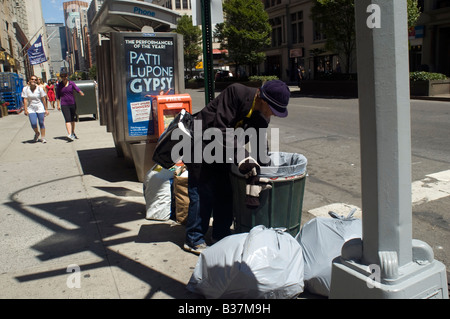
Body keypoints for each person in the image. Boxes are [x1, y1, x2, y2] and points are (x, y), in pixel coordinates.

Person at [183, 80, 290, 254]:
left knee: (225, 192)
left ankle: (221, 235)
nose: (275, 114)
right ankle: (193, 239)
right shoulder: (236, 93)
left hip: (222, 151)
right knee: (203, 192)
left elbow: (260, 140)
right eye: (274, 109)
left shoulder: (261, 113)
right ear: (262, 98)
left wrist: (264, 168)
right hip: (200, 144)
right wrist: (243, 158)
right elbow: (221, 129)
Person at [56, 72, 84, 141]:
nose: (63, 78)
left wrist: (80, 92)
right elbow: (58, 96)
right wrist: (58, 105)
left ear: (67, 76)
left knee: (72, 119)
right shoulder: (59, 85)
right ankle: (69, 134)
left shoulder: (71, 83)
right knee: (67, 119)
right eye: (62, 77)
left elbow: (77, 89)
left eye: (64, 76)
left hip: (72, 103)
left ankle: (72, 132)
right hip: (64, 104)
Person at [22, 75, 49, 143]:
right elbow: (25, 99)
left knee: (41, 122)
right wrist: (25, 110)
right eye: (32, 79)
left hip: (39, 107)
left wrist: (46, 109)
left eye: (35, 79)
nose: (33, 80)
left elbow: (43, 99)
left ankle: (42, 137)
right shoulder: (25, 89)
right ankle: (37, 133)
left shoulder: (39, 89)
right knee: (33, 123)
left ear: (37, 81)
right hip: (31, 108)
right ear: (30, 80)